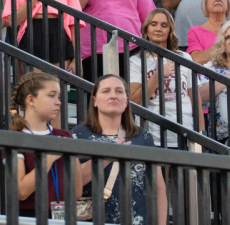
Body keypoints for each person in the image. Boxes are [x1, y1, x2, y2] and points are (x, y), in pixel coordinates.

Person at [72, 74, 168, 225]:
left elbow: (158, 188)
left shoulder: (143, 137)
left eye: (119, 91)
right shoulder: (79, 134)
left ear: (127, 101)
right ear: (94, 101)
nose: (113, 96)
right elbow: (73, 182)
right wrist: (108, 156)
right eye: (106, 91)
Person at [128, 9, 198, 147]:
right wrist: (158, 75)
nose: (158, 29)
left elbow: (194, 98)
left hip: (183, 132)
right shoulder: (136, 61)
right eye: (153, 24)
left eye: (164, 25)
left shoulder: (184, 58)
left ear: (170, 30)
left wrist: (199, 134)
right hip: (151, 135)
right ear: (146, 28)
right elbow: (135, 101)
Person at [10, 73, 76, 215]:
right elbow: (21, 191)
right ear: (31, 100)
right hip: (29, 217)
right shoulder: (15, 138)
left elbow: (76, 190)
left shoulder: (65, 136)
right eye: (52, 96)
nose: (58, 102)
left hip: (63, 214)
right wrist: (49, 157)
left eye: (58, 97)